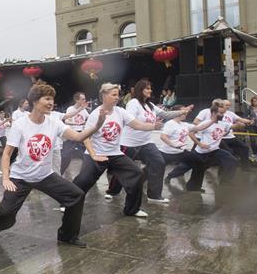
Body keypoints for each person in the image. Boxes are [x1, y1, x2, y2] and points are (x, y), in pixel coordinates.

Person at [0, 81, 106, 246]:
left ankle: (67, 236)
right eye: (47, 99)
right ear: (35, 102)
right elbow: (7, 154)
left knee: (76, 196)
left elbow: (78, 137)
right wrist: (6, 179)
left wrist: (98, 125)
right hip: (20, 177)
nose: (51, 102)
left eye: (52, 99)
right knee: (6, 215)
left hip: (44, 175)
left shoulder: (54, 122)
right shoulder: (20, 125)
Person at [73, 83, 162, 219]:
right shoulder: (96, 114)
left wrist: (153, 126)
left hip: (115, 154)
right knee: (84, 180)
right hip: (96, 153)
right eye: (113, 95)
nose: (117, 98)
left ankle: (132, 209)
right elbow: (86, 138)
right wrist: (94, 155)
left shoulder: (120, 111)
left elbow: (137, 125)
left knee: (136, 174)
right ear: (104, 96)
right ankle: (69, 201)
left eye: (117, 95)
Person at [105, 80, 192, 205]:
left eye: (150, 88)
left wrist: (182, 112)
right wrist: (152, 126)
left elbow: (164, 114)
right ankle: (112, 191)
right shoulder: (133, 103)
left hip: (146, 142)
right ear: (141, 90)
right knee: (123, 169)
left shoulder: (149, 105)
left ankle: (154, 195)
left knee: (159, 162)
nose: (150, 91)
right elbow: (131, 122)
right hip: (129, 143)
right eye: (147, 88)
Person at [159, 108, 217, 192]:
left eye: (186, 113)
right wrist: (173, 145)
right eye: (183, 113)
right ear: (176, 113)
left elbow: (200, 128)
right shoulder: (170, 123)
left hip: (181, 152)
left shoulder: (184, 124)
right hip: (167, 153)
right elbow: (163, 136)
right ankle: (138, 182)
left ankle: (194, 187)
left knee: (200, 164)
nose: (185, 114)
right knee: (153, 168)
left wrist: (212, 121)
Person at [59, 92, 90, 176]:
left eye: (84, 99)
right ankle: (59, 173)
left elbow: (89, 118)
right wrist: (74, 123)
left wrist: (86, 123)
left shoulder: (84, 110)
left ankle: (86, 174)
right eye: (82, 99)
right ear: (77, 100)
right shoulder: (70, 109)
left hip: (82, 133)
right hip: (72, 133)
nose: (84, 100)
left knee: (88, 154)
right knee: (66, 155)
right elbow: (66, 120)